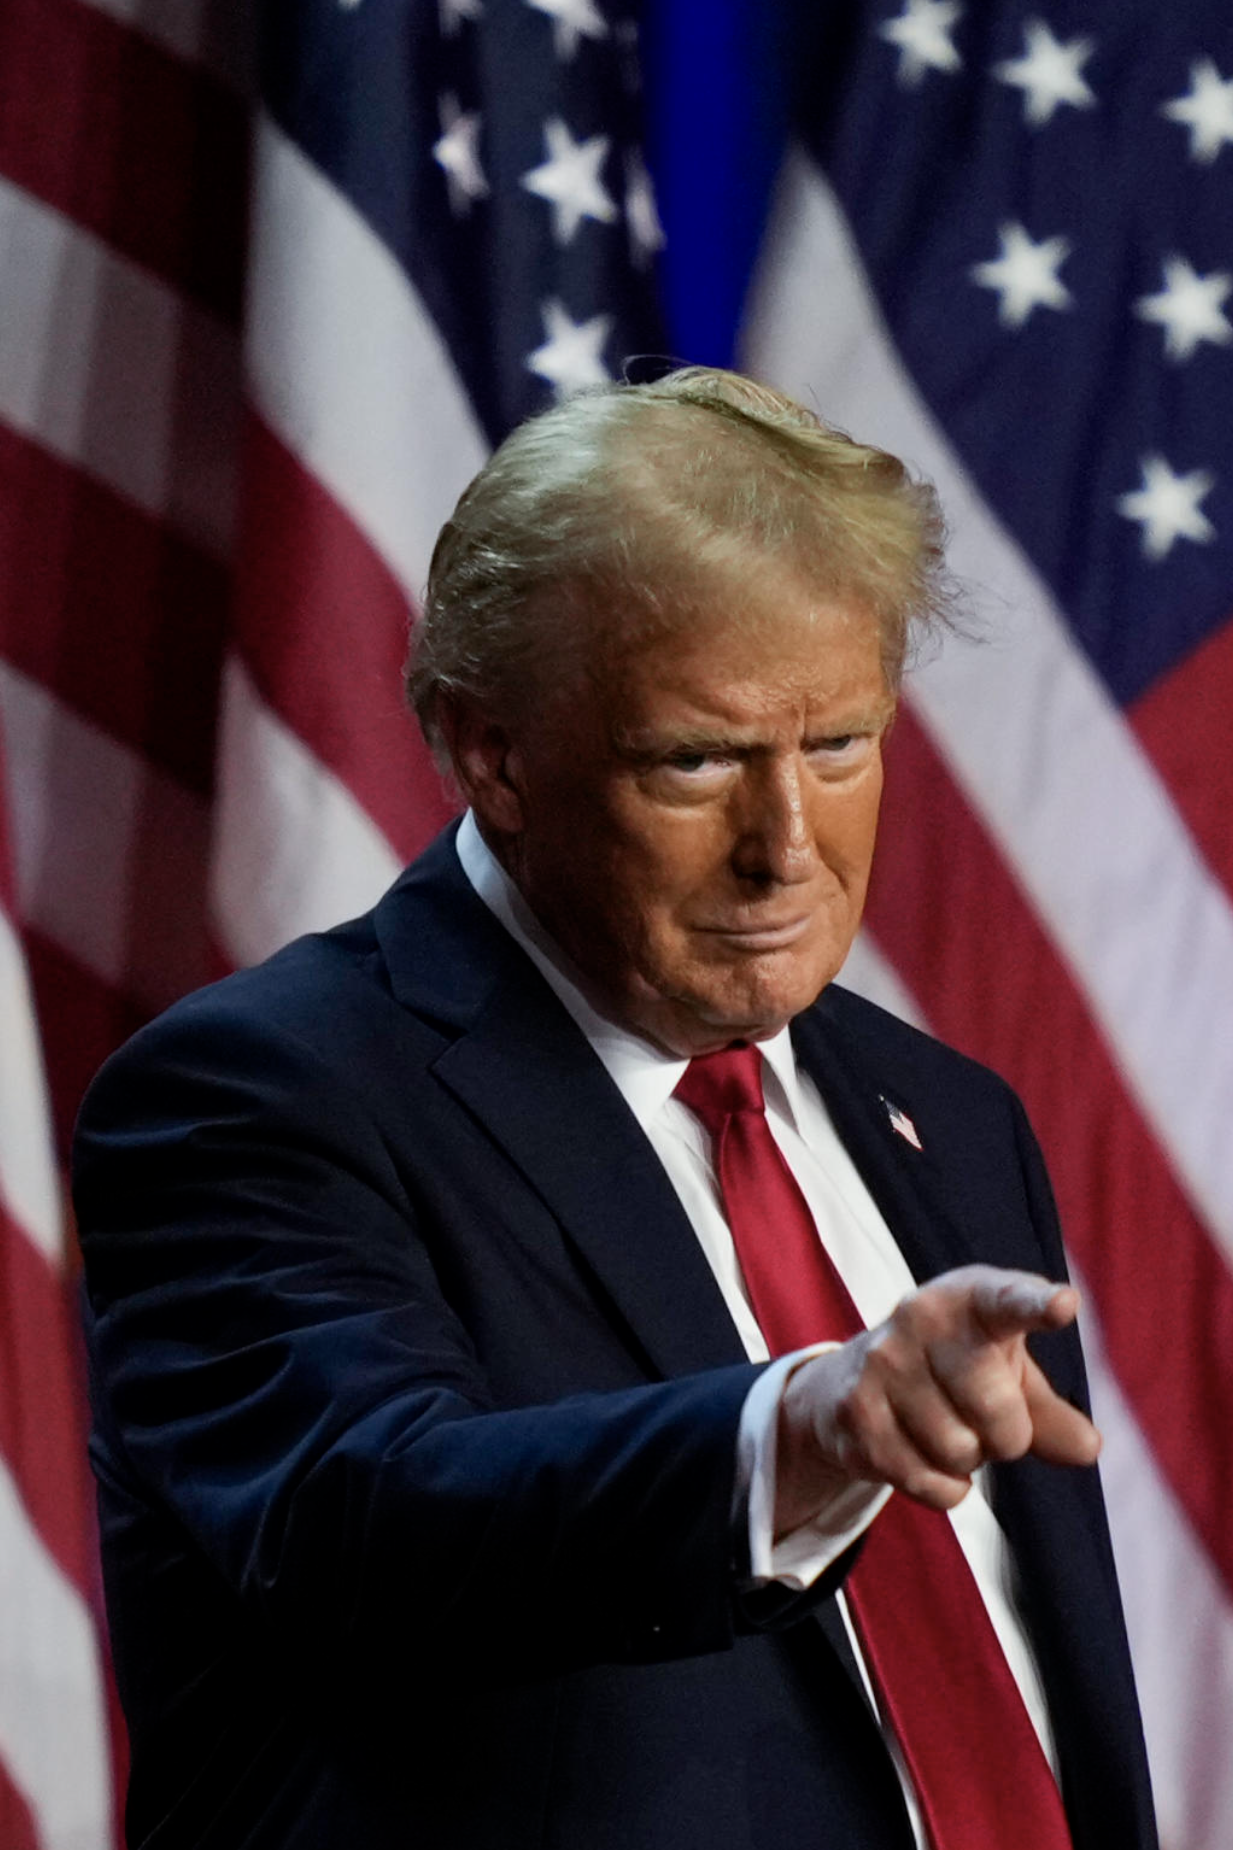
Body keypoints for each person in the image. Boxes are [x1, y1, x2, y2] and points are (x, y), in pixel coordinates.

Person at [73, 368, 1157, 1849]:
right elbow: (371, 1522)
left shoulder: (948, 1119)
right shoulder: (261, 1095)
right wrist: (804, 1428)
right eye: (697, 761)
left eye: (837, 744)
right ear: (493, 755)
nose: (786, 847)